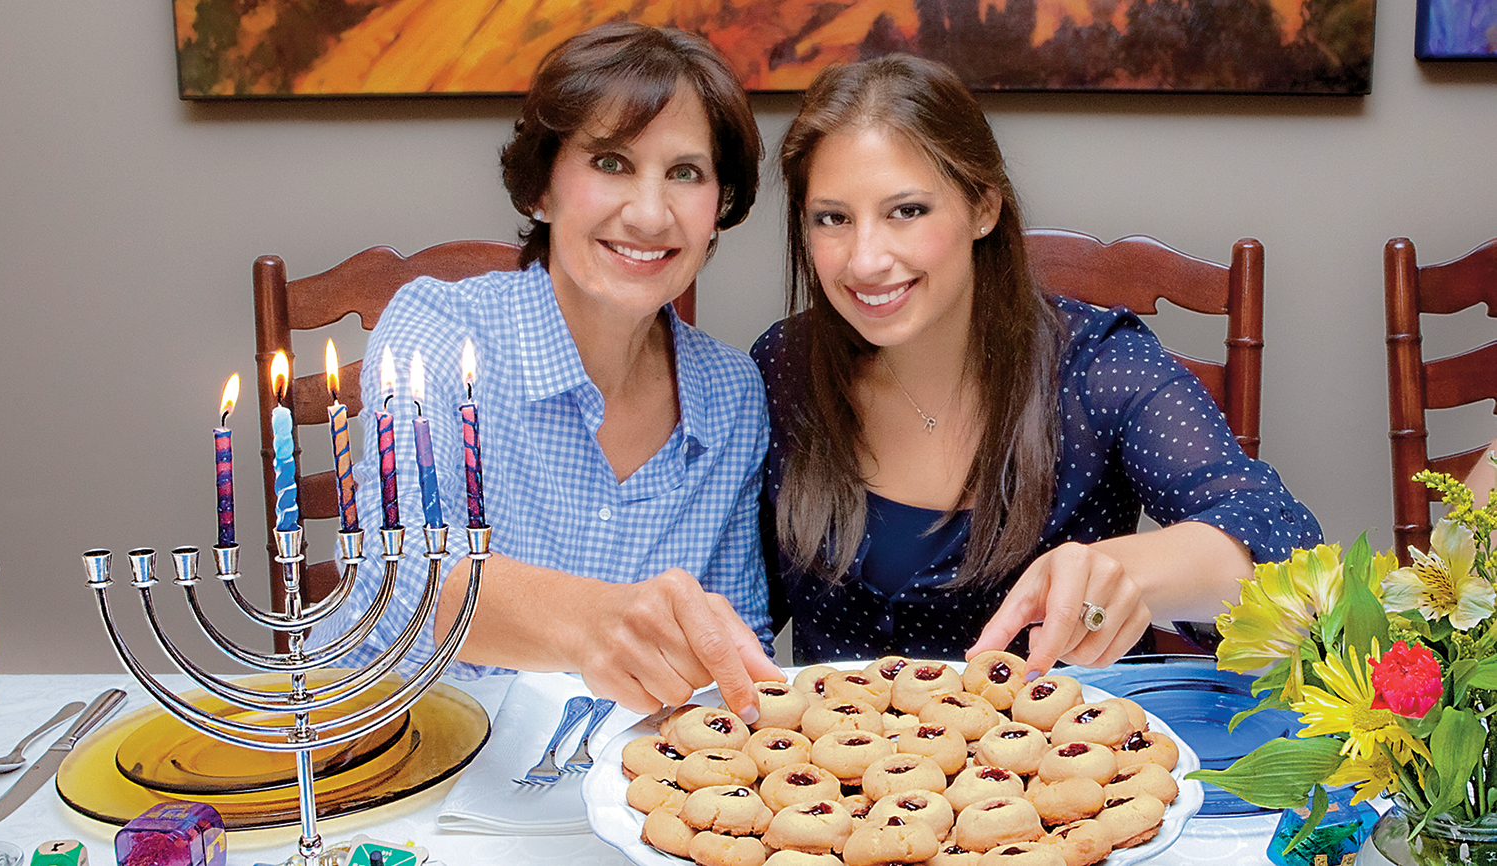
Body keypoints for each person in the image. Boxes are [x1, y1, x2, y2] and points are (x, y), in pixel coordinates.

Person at [752, 54, 1323, 680]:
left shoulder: (1097, 366)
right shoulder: (784, 367)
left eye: (906, 211)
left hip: (1065, 766)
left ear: (982, 208)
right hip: (833, 768)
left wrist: (1125, 571)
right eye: (832, 218)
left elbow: (1290, 554)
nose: (864, 260)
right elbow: (740, 609)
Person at [314, 22, 779, 720]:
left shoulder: (732, 395)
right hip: (391, 759)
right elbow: (408, 578)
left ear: (717, 210)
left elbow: (735, 642)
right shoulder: (435, 331)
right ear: (541, 189)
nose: (650, 214)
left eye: (685, 173)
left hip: (613, 792)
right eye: (611, 163)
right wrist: (604, 620)